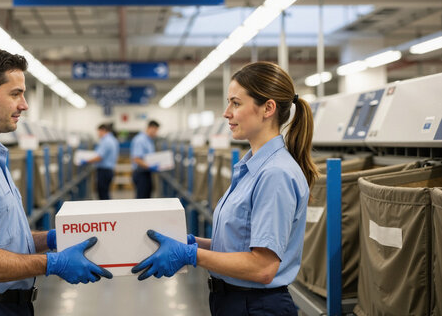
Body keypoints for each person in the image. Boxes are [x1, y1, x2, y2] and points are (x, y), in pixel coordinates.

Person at [0, 46, 112, 316]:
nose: (24, 105)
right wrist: (51, 263)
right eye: (15, 94)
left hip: (7, 307)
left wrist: (50, 239)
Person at [131, 61, 319, 316]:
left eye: (236, 103)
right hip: (234, 301)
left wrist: (191, 255)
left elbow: (262, 268)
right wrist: (195, 244)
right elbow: (242, 245)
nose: (226, 113)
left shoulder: (275, 174)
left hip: (256, 306)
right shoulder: (250, 167)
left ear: (268, 108)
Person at [82, 123, 120, 200]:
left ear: (103, 130)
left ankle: (106, 210)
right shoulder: (113, 140)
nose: (98, 134)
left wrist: (86, 161)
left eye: (98, 132)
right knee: (105, 192)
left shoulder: (106, 141)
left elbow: (99, 157)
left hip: (104, 171)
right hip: (109, 170)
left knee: (103, 194)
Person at [129, 120, 160, 198]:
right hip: (140, 174)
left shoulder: (149, 140)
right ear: (151, 128)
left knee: (146, 198)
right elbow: (136, 159)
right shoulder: (140, 140)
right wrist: (150, 166)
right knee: (142, 200)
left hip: (146, 173)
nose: (156, 133)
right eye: (156, 130)